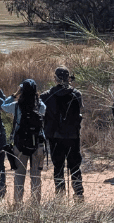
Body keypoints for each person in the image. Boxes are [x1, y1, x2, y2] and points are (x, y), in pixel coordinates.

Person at [40, 66, 84, 200]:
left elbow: (42, 115)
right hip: (72, 136)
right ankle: (79, 195)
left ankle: (60, 197)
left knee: (58, 167)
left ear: (55, 78)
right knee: (75, 166)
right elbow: (80, 111)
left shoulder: (46, 96)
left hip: (55, 137)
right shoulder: (77, 94)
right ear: (68, 78)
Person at [1, 79, 45, 204]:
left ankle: (18, 204)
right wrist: (37, 97)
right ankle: (36, 204)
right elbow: (44, 109)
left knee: (19, 176)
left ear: (22, 91)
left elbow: (3, 106)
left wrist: (15, 94)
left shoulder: (16, 106)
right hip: (37, 144)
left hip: (20, 145)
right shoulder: (39, 106)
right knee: (36, 177)